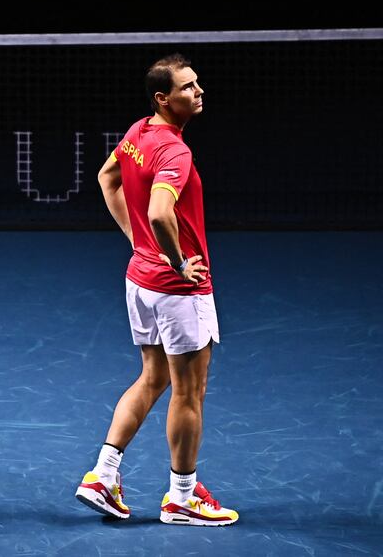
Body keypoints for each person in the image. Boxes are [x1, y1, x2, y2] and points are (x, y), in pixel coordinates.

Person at [74, 53, 238, 526]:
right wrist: (174, 259)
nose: (198, 91)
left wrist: (139, 244)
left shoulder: (138, 131)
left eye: (198, 83)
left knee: (153, 377)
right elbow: (161, 213)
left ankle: (102, 476)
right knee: (190, 392)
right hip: (175, 289)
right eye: (187, 87)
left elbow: (108, 178)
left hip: (140, 279)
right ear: (163, 99)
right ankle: (182, 497)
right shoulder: (175, 151)